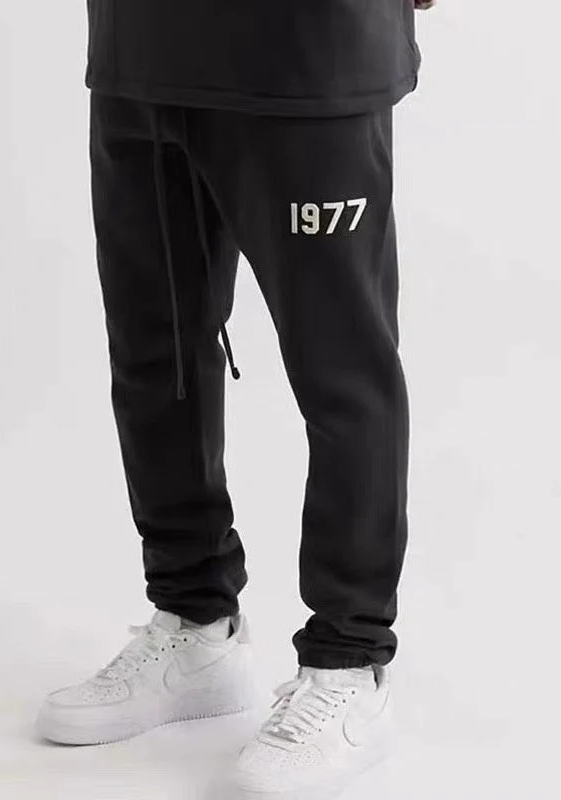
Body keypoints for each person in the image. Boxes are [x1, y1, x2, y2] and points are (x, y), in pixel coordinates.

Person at [37, 1, 434, 796]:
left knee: (342, 373)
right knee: (155, 352)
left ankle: (349, 664)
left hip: (308, 50)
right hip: (140, 48)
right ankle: (194, 624)